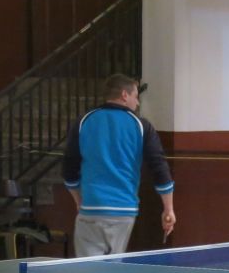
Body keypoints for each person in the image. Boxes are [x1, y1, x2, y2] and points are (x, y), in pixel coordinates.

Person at [63, 74, 176, 257]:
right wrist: (168, 209)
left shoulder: (84, 121)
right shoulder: (141, 126)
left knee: (88, 270)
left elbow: (69, 169)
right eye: (136, 97)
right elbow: (159, 168)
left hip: (91, 208)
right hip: (124, 211)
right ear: (124, 95)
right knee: (113, 269)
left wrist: (79, 200)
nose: (137, 103)